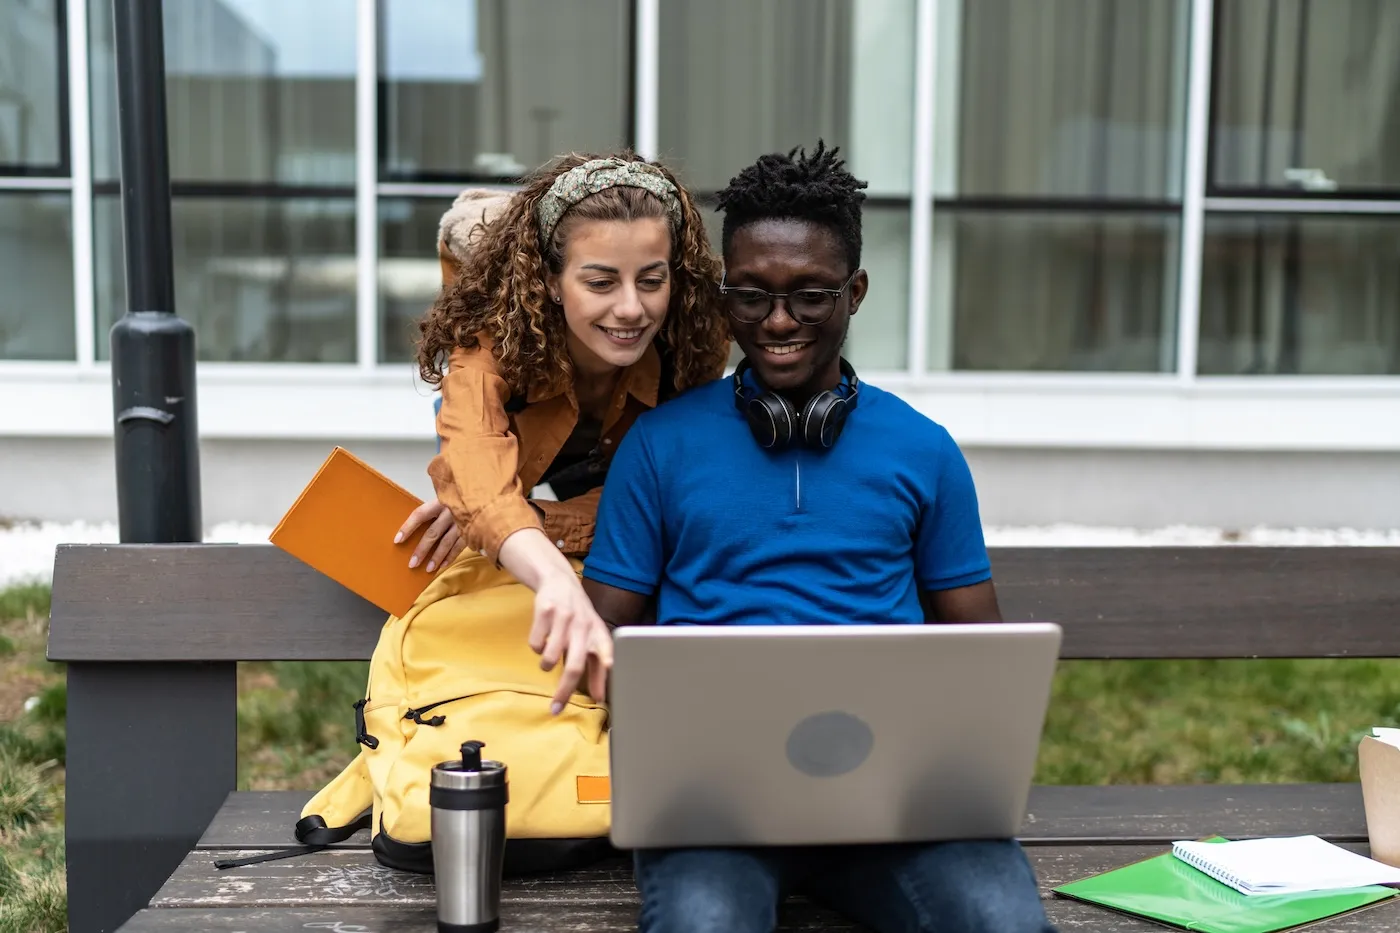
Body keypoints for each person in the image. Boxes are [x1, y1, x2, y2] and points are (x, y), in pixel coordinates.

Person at [577, 143, 1056, 933]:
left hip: (897, 806)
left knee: (1004, 922)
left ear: (855, 291)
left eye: (808, 296)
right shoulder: (660, 446)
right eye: (751, 295)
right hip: (713, 809)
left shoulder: (923, 448)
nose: (775, 322)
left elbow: (981, 651)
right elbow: (603, 640)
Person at [409, 152, 730, 712]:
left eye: (651, 280)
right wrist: (507, 529)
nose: (631, 309)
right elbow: (478, 462)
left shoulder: (694, 341)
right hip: (522, 435)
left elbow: (671, 500)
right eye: (601, 282)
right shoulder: (491, 340)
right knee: (472, 504)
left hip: (623, 462)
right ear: (552, 283)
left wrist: (532, 522)